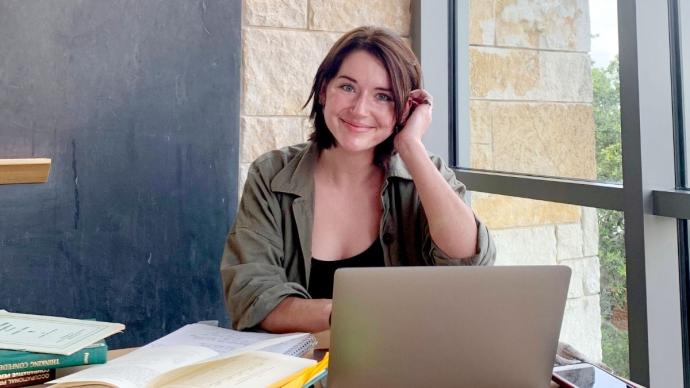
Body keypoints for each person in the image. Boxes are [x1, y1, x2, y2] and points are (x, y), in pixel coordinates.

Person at [221, 26, 496, 333]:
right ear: (324, 89)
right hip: (303, 373)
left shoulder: (424, 174)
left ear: (405, 110)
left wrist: (410, 146)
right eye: (348, 88)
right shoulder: (272, 175)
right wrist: (350, 314)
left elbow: (470, 264)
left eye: (383, 96)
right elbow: (252, 297)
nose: (360, 109)